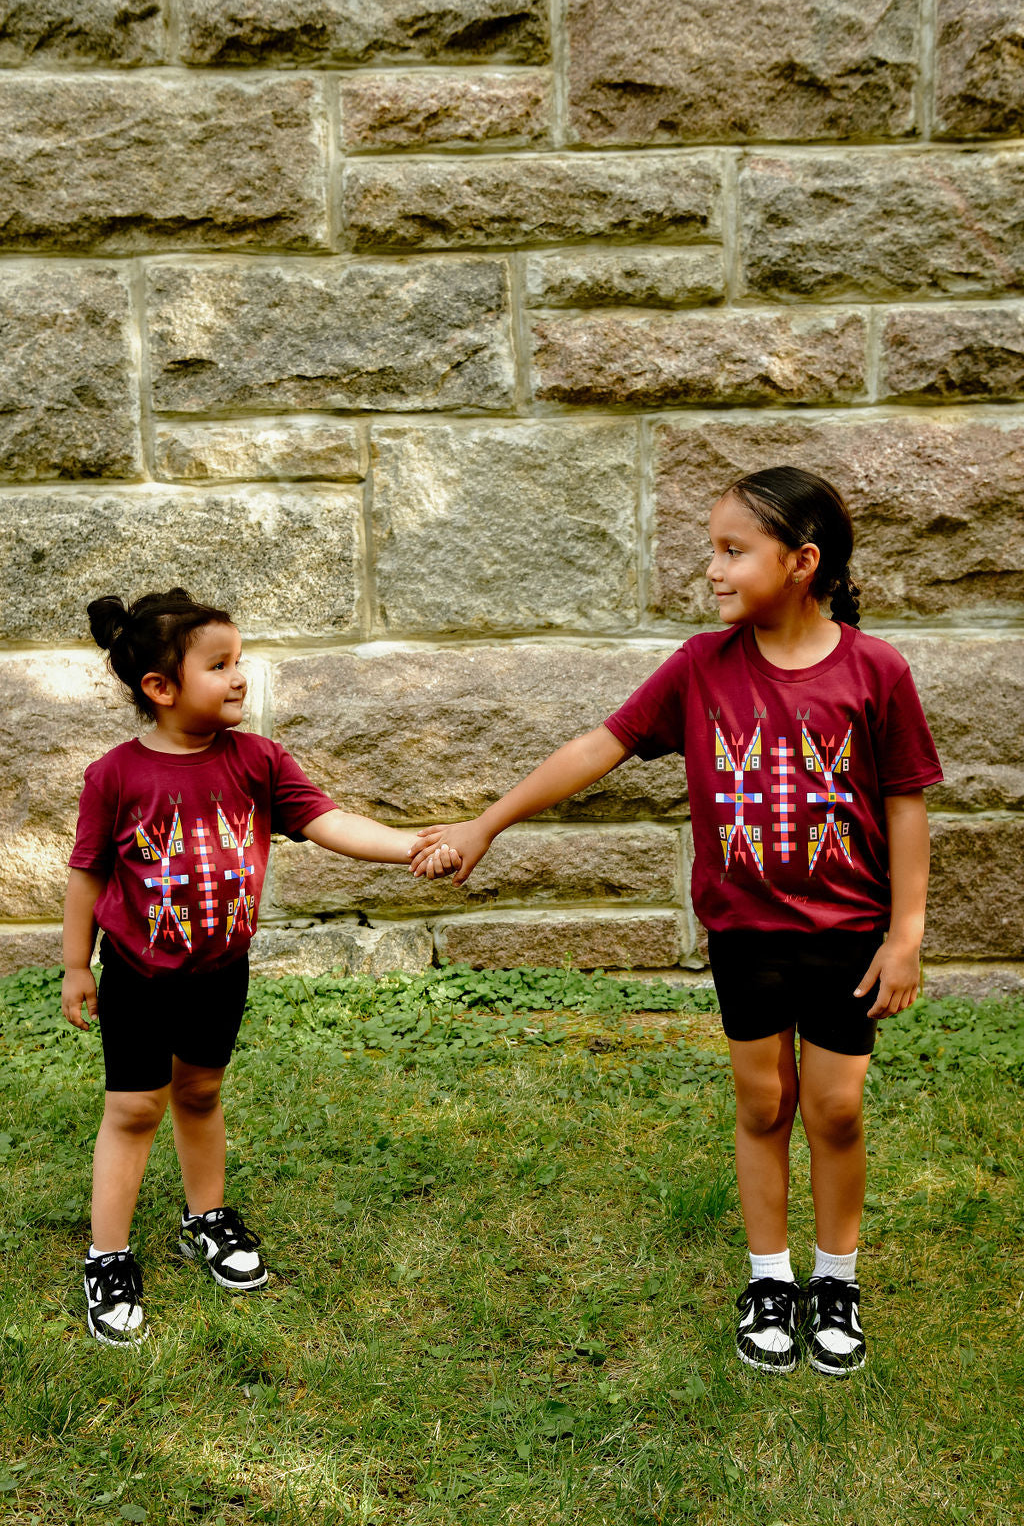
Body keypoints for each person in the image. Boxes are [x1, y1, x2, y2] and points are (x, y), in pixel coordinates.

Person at [411, 466, 942, 1377]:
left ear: (803, 562)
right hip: (744, 931)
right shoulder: (701, 667)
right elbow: (597, 747)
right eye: (714, 549)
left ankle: (838, 1280)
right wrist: (486, 822)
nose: (713, 570)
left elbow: (906, 803)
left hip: (848, 932)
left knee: (838, 1108)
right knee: (765, 1100)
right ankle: (771, 1279)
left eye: (734, 551)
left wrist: (907, 935)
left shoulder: (875, 670)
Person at [63, 588, 459, 1346]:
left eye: (240, 661)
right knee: (135, 1109)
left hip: (222, 967)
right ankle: (107, 1256)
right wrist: (75, 966)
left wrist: (409, 844)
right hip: (139, 974)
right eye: (220, 665)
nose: (240, 677)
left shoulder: (258, 761)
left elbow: (328, 820)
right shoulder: (115, 775)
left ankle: (206, 1215)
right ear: (160, 687)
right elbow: (85, 874)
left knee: (202, 1092)